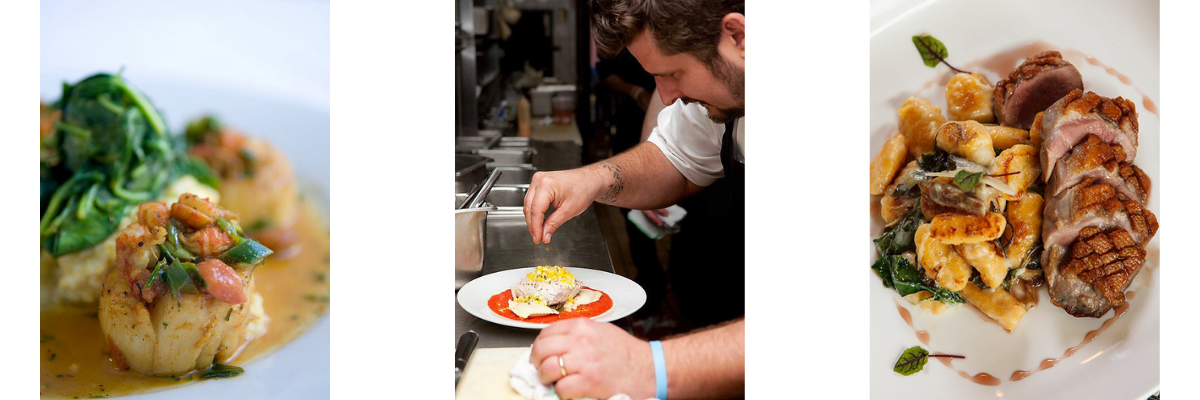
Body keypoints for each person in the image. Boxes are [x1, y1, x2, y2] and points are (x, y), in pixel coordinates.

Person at [522, 1, 745, 398]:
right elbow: (674, 158)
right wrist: (594, 178)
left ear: (737, 36)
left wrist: (649, 366)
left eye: (674, 73)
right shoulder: (725, 90)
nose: (666, 95)